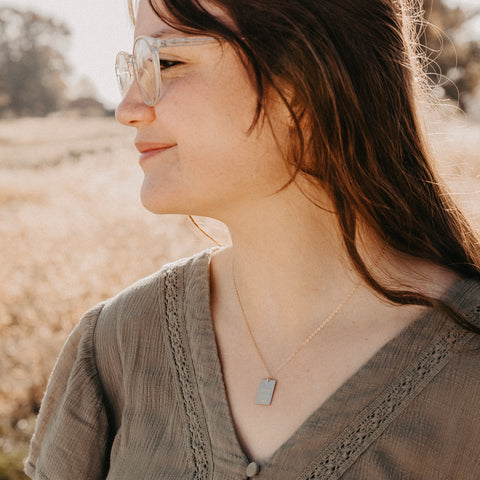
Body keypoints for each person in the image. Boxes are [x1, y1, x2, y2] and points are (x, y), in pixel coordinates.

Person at [26, 0, 480, 478]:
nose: (128, 110)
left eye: (165, 63)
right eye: (131, 69)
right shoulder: (117, 345)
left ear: (301, 89)